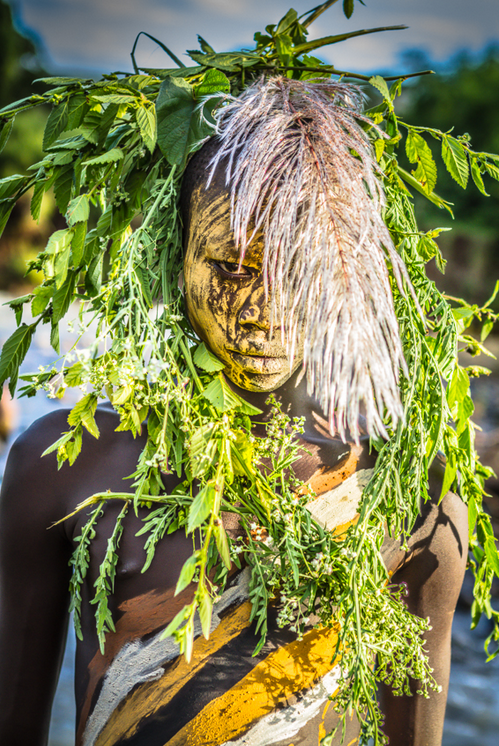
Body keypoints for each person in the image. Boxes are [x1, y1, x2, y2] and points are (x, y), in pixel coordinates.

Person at [0, 126, 468, 746]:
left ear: (349, 275)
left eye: (300, 269)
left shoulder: (412, 500)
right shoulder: (65, 464)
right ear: (173, 253)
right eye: (232, 266)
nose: (262, 309)